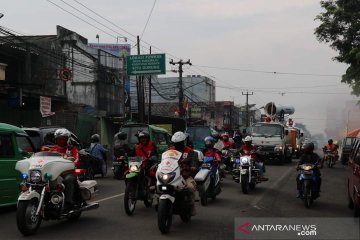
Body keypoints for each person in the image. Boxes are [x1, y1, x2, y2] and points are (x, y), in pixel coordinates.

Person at [48, 128, 79, 210]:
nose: (61, 141)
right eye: (59, 139)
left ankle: (68, 202)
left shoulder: (72, 149)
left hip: (68, 173)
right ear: (56, 140)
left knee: (68, 179)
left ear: (67, 139)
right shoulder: (52, 150)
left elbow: (76, 160)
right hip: (55, 173)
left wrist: (72, 162)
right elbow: (45, 159)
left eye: (63, 139)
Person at [169, 131, 198, 216]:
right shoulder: (170, 150)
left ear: (183, 142)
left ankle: (191, 205)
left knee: (190, 187)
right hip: (172, 174)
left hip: (185, 175)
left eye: (178, 143)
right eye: (175, 143)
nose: (176, 145)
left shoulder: (190, 151)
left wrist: (193, 166)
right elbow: (164, 159)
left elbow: (194, 161)